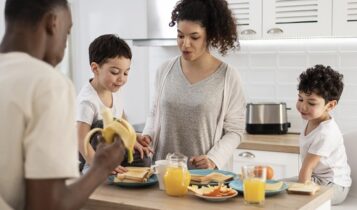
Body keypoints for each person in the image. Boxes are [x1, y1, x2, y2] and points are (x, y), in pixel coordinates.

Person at [0, 1, 125, 210]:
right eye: (67, 34)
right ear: (52, 23)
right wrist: (101, 167)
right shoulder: (47, 83)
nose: (64, 46)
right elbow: (49, 205)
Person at [140, 0, 246, 169]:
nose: (185, 44)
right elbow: (155, 114)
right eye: (180, 35)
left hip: (206, 180)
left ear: (210, 35)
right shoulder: (164, 70)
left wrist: (213, 158)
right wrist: (148, 136)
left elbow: (235, 130)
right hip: (164, 174)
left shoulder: (228, 77)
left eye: (194, 37)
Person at [77, 34, 152, 174]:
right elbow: (81, 141)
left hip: (113, 151)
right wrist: (100, 165)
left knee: (144, 159)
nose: (121, 79)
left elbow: (123, 122)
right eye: (115, 72)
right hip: (91, 155)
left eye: (125, 73)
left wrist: (133, 138)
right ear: (95, 68)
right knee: (102, 125)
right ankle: (91, 169)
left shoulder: (115, 90)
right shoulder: (87, 101)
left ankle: (117, 169)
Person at [296, 65, 351, 205]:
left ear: (330, 105)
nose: (303, 107)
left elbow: (307, 168)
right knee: (277, 187)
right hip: (316, 179)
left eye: (311, 102)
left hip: (334, 187)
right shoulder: (309, 118)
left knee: (288, 196)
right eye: (300, 99)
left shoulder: (326, 133)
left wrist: (302, 196)